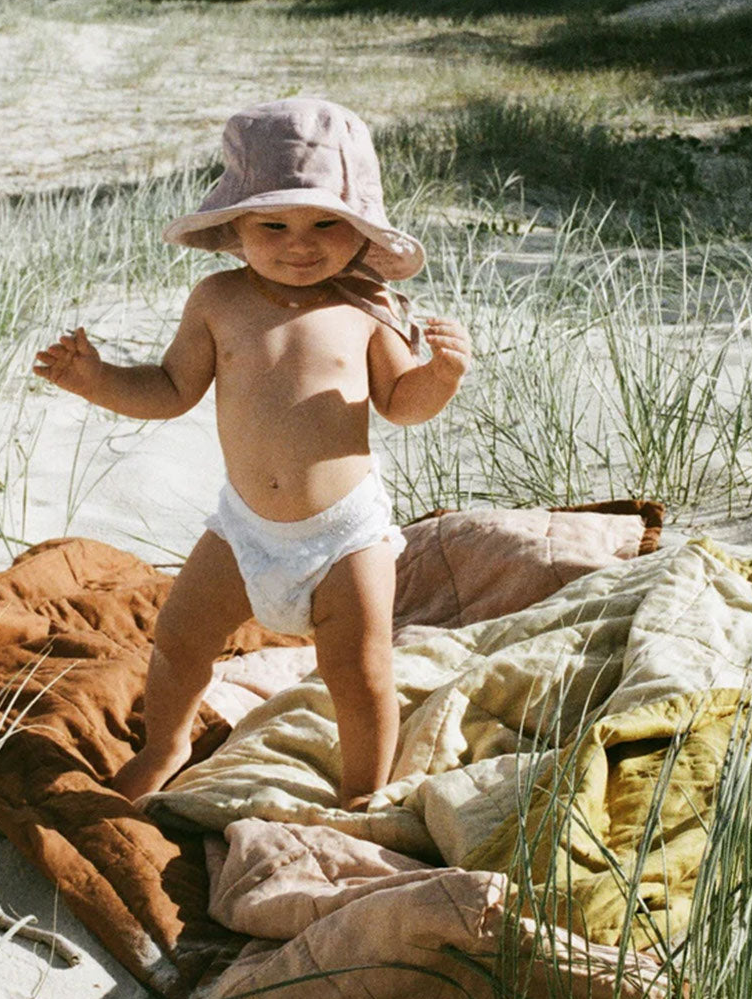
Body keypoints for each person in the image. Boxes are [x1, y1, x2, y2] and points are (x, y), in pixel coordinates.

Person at [33, 98, 470, 809]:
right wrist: (97, 379)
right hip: (244, 529)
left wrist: (440, 376)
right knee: (179, 638)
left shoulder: (367, 307)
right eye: (274, 225)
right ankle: (165, 747)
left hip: (345, 535)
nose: (300, 244)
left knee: (360, 670)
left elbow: (400, 403)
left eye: (325, 223)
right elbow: (170, 389)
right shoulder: (218, 300)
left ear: (361, 228)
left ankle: (362, 793)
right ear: (236, 226)